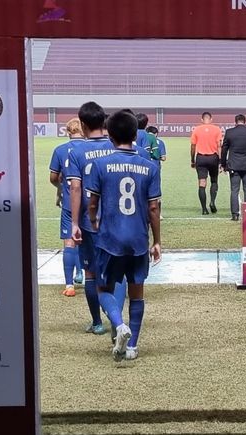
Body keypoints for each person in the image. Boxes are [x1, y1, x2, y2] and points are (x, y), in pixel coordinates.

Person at [84, 110, 162, 361]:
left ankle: (119, 325)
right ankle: (132, 347)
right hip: (139, 239)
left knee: (103, 287)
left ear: (110, 135)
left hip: (110, 238)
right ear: (135, 135)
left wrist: (94, 224)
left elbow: (93, 204)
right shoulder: (150, 167)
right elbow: (153, 208)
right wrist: (157, 241)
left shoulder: (100, 165)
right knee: (137, 291)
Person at [66, 101, 126, 336]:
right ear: (104, 122)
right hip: (117, 219)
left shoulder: (77, 152)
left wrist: (73, 223)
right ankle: (117, 321)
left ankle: (97, 322)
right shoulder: (116, 148)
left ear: (81, 124)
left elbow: (76, 189)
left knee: (91, 273)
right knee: (117, 272)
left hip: (90, 222)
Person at [49, 117, 84, 297]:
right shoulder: (92, 149)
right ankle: (95, 279)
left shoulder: (60, 150)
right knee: (92, 242)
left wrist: (61, 189)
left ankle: (70, 285)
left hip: (70, 202)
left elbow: (53, 178)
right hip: (91, 203)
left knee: (69, 242)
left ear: (68, 132)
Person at [221, 114, 246, 221]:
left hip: (234, 165)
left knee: (234, 190)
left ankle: (235, 214)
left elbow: (224, 150)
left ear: (235, 122)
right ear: (245, 121)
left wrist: (223, 164)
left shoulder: (229, 133)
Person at [190, 112, 223, 215]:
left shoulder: (196, 129)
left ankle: (204, 209)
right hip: (213, 158)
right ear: (211, 119)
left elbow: (193, 146)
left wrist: (192, 159)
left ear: (202, 119)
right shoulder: (217, 129)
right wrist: (221, 160)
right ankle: (212, 202)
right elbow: (219, 146)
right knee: (214, 181)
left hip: (201, 158)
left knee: (202, 183)